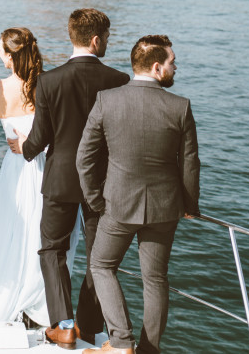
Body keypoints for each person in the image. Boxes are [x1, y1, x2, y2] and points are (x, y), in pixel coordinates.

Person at [0, 27, 81, 337]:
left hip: (17, 171)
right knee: (47, 240)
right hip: (53, 170)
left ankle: (16, 301)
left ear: (9, 57)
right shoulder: (52, 84)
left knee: (14, 234)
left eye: (0, 50)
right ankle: (45, 307)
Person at [76, 35, 200, 354]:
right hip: (165, 208)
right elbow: (189, 164)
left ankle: (120, 342)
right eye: (173, 62)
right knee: (155, 279)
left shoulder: (107, 100)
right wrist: (190, 206)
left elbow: (84, 158)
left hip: (117, 205)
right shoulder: (180, 106)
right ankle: (148, 350)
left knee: (102, 266)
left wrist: (94, 199)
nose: (176, 67)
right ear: (157, 67)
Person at [18, 8, 130, 349]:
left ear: (72, 37)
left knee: (52, 250)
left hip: (60, 180)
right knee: (101, 257)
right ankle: (89, 324)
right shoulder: (119, 80)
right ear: (96, 40)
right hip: (104, 182)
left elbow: (39, 139)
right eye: (107, 37)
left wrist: (23, 148)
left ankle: (63, 325)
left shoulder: (49, 81)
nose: (108, 43)